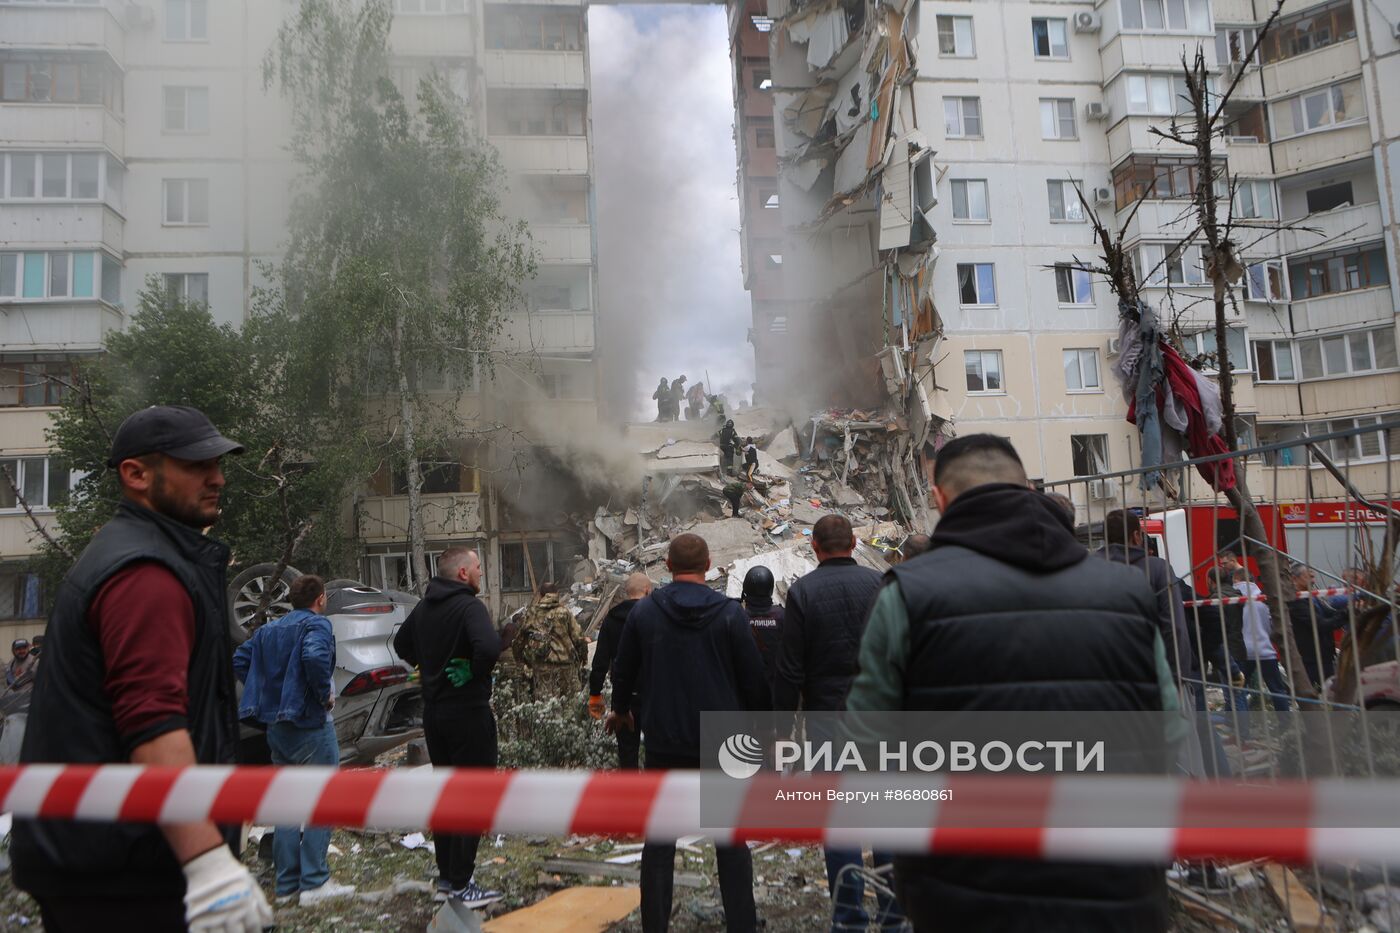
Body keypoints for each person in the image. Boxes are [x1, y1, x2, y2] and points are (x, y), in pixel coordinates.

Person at [846, 434, 1175, 932]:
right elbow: (1169, 732)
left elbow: (867, 749)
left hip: (964, 887)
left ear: (939, 498)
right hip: (1115, 882)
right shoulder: (1126, 590)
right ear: (1028, 488)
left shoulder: (908, 595)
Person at [12, 405, 273, 932]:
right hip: (125, 874)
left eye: (218, 464)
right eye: (197, 465)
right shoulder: (146, 574)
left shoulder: (140, 554)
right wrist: (207, 862)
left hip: (108, 859)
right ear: (135, 474)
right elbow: (153, 727)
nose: (218, 478)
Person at [607, 533, 767, 933]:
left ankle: (655, 926)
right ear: (709, 563)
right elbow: (754, 680)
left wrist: (621, 709)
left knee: (659, 841)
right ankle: (742, 925)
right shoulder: (731, 615)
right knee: (731, 840)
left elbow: (622, 669)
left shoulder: (645, 613)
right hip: (724, 743)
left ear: (667, 564)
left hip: (664, 737)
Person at [773, 514, 901, 931]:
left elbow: (790, 670)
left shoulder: (803, 593)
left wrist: (781, 730)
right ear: (854, 542)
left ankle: (848, 918)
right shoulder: (879, 584)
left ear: (814, 546)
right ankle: (894, 914)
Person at [233, 574, 354, 906]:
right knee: (322, 800)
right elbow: (315, 658)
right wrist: (320, 696)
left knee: (288, 805)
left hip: (277, 725)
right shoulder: (317, 626)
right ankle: (315, 883)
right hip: (310, 723)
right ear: (321, 599)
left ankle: (287, 888)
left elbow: (240, 660)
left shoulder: (269, 630)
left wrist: (269, 691)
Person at [392, 547, 503, 909]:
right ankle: (463, 884)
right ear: (461, 573)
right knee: (473, 795)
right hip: (468, 714)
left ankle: (446, 879)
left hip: (435, 716)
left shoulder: (424, 608)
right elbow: (488, 646)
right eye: (477, 567)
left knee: (447, 795)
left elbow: (401, 643)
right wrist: (475, 670)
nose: (481, 574)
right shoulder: (470, 606)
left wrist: (425, 666)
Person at [587, 573, 652, 769]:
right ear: (648, 591)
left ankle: (632, 797)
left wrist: (595, 694)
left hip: (623, 697)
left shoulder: (612, 619)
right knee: (656, 753)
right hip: (653, 695)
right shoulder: (655, 616)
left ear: (626, 592)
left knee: (627, 753)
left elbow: (600, 661)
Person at [515, 582, 587, 701]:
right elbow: (579, 638)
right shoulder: (564, 612)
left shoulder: (532, 613)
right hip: (566, 666)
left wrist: (521, 662)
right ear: (557, 594)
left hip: (542, 667)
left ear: (540, 595)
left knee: (545, 706)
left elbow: (519, 640)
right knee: (570, 704)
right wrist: (583, 658)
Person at [1235, 566, 1291, 714]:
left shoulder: (1234, 598)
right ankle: (1285, 723)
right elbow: (1272, 625)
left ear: (1236, 579)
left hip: (1244, 651)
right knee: (1277, 689)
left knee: (1238, 689)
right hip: (1265, 649)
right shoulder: (1264, 598)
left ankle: (1240, 725)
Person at [1287, 563, 1344, 689]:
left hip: (1325, 652)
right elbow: (1320, 624)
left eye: (1314, 577)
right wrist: (1345, 616)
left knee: (1330, 689)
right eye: (1309, 576)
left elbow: (1329, 613)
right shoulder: (1295, 601)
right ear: (1294, 578)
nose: (1313, 581)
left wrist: (1349, 612)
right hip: (1311, 657)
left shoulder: (1312, 596)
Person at [740, 565, 784, 688]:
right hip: (776, 687)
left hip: (746, 689)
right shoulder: (782, 616)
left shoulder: (736, 617)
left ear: (745, 590)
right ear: (770, 590)